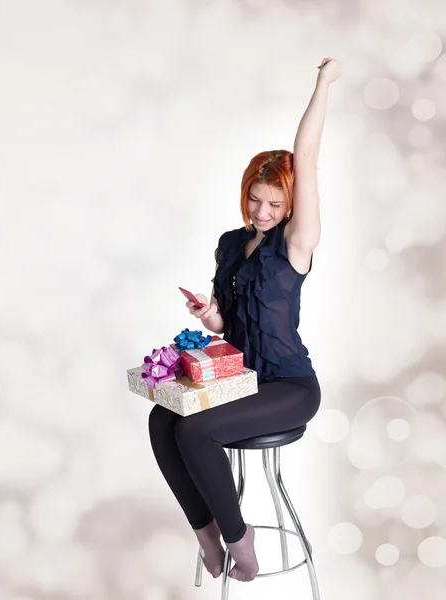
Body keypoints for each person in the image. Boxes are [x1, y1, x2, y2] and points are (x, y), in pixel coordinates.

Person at [148, 58, 341, 583]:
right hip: (240, 379)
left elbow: (308, 155)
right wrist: (210, 314)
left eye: (275, 203)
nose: (261, 212)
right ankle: (208, 534)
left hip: (288, 384)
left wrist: (323, 82)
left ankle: (241, 537)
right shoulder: (232, 245)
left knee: (196, 432)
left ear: (291, 203)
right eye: (255, 200)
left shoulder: (296, 243)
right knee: (161, 420)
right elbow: (226, 327)